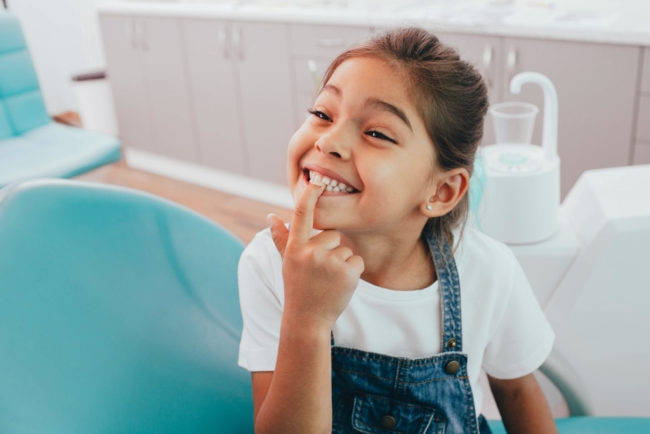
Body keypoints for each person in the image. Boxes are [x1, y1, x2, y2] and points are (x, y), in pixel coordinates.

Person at [237, 27, 556, 434]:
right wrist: (306, 319)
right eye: (322, 114)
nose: (329, 141)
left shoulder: (490, 270)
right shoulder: (269, 264)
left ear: (441, 191)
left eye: (376, 133)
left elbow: (517, 392)